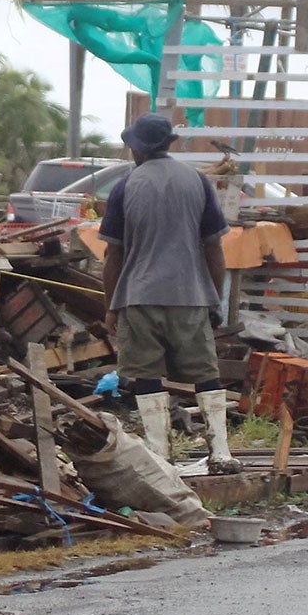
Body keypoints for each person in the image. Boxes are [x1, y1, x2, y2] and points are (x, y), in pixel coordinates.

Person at [98, 112, 237, 474]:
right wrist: (215, 297)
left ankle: (161, 457)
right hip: (190, 295)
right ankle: (220, 453)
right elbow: (214, 248)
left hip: (138, 296)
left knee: (146, 377)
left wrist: (111, 305)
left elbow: (113, 254)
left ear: (137, 148)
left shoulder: (124, 187)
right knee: (206, 374)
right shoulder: (197, 182)